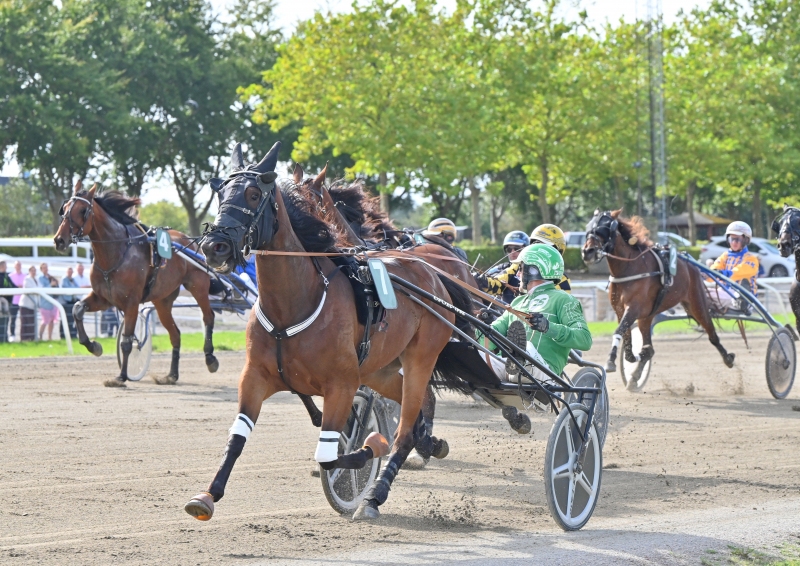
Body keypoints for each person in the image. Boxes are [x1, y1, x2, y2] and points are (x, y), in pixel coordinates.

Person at [476, 244, 592, 396]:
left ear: (534, 270)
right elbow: (488, 343)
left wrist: (548, 327)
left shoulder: (564, 300)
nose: (517, 275)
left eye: (521, 269)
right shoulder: (518, 302)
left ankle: (519, 357)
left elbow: (585, 340)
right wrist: (483, 327)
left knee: (527, 348)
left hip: (545, 374)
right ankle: (515, 358)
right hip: (510, 370)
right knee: (476, 354)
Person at [708, 221, 759, 312]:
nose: (734, 242)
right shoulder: (726, 255)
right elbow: (714, 269)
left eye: (738, 239)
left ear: (746, 240)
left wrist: (722, 273)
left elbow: (738, 272)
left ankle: (742, 301)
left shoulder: (751, 259)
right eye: (732, 239)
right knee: (698, 292)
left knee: (702, 295)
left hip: (745, 297)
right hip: (725, 292)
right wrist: (705, 274)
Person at [477, 231, 530, 303]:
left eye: (517, 248)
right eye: (509, 249)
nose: (512, 252)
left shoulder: (535, 269)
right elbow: (489, 278)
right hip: (507, 312)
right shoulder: (502, 267)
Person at [38, 263, 59, 341]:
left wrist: (56, 283)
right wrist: (51, 285)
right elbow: (42, 289)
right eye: (43, 268)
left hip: (53, 302)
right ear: (41, 269)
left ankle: (50, 337)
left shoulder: (51, 277)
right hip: (45, 303)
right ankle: (40, 337)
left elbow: (56, 288)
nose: (45, 269)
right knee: (45, 321)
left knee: (51, 321)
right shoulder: (40, 278)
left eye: (46, 267)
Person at [19, 265, 38, 341]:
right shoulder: (27, 279)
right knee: (25, 322)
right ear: (29, 271)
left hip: (33, 305)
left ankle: (31, 338)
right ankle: (24, 339)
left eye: (34, 271)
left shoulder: (36, 279)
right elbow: (31, 289)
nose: (33, 272)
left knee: (32, 322)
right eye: (32, 271)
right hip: (25, 305)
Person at [59, 267, 79, 338]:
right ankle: (63, 335)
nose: (70, 273)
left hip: (72, 302)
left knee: (72, 319)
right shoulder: (64, 279)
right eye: (69, 272)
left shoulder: (72, 279)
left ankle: (72, 334)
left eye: (71, 272)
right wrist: (74, 287)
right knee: (66, 319)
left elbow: (78, 288)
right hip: (66, 302)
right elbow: (69, 289)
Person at [0, 260, 17, 343]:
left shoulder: (6, 276)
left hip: (7, 303)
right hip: (2, 303)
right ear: (2, 266)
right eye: (5, 266)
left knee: (6, 321)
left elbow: (13, 286)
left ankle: (4, 339)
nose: (6, 267)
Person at [9, 260, 25, 341]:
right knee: (13, 319)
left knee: (24, 319)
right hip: (14, 301)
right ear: (14, 266)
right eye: (17, 265)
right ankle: (12, 335)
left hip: (23, 301)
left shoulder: (25, 276)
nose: (18, 266)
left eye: (19, 265)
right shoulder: (10, 276)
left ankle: (23, 336)